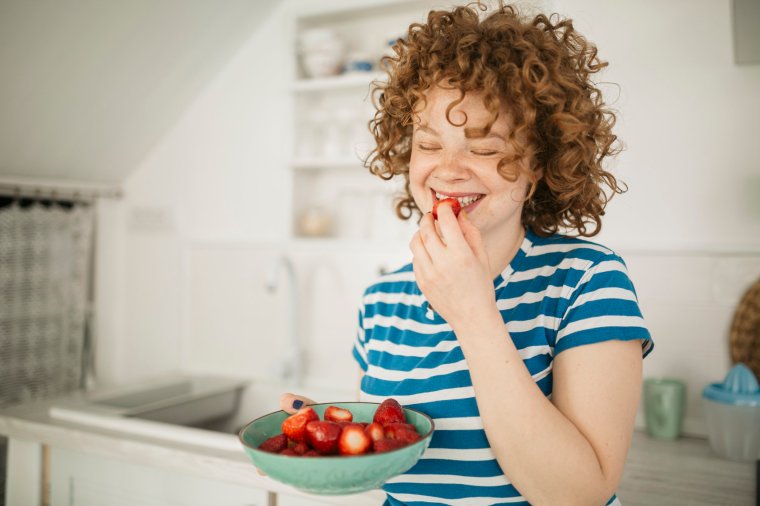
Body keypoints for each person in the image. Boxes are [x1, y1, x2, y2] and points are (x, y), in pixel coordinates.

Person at [281, 2, 653, 505]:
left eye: (482, 149)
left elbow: (578, 495)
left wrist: (474, 312)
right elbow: (395, 457)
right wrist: (322, 438)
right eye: (429, 144)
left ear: (539, 164)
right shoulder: (380, 300)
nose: (449, 171)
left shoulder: (587, 281)